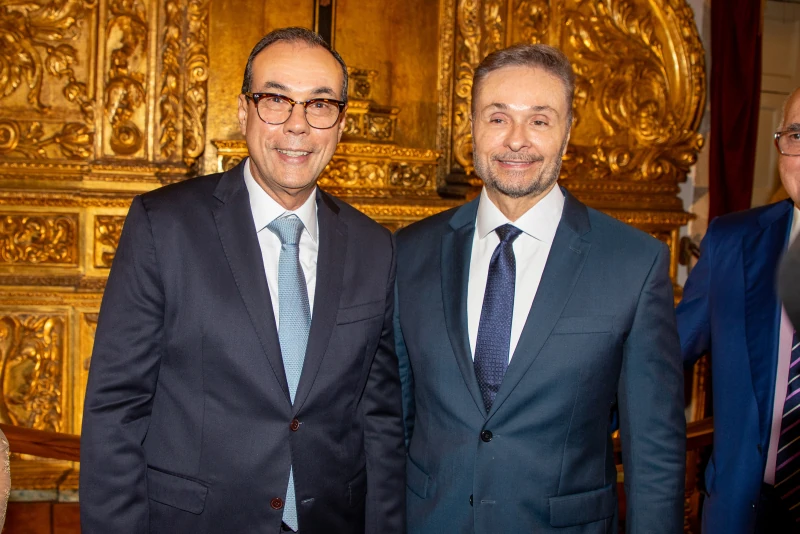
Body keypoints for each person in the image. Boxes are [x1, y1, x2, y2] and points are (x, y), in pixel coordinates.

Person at [80, 27, 405, 534]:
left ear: (341, 124)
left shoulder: (374, 246)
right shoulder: (164, 226)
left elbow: (379, 418)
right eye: (275, 100)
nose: (297, 125)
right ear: (242, 111)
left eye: (320, 105)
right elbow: (116, 408)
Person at [394, 43, 686, 533]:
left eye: (539, 120)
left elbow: (654, 446)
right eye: (498, 117)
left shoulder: (634, 264)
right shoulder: (409, 252)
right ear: (471, 127)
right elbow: (394, 418)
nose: (516, 140)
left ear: (567, 133)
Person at [677, 86, 800, 533]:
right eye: (797, 135)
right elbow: (659, 357)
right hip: (743, 515)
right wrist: (569, 429)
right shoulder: (733, 243)